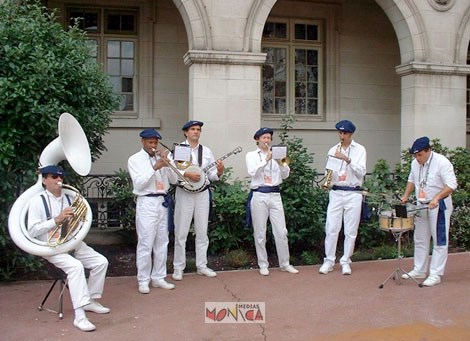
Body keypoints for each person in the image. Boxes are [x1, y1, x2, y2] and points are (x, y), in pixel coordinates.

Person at [28, 165, 109, 332]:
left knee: (101, 262)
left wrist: (75, 225)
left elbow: (80, 223)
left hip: (72, 242)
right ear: (44, 180)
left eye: (60, 177)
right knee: (76, 267)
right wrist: (56, 220)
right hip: (51, 247)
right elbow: (32, 230)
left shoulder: (69, 198)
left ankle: (90, 301)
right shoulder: (38, 200)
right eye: (53, 177)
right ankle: (80, 317)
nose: (58, 180)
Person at [400, 136, 457, 287]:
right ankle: (419, 269)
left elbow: (452, 184)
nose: (417, 158)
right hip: (422, 204)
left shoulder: (441, 162)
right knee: (420, 238)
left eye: (420, 155)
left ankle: (436, 273)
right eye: (415, 155)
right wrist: (406, 195)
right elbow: (411, 180)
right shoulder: (415, 163)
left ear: (428, 151)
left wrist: (437, 197)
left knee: (439, 239)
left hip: (439, 204)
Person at [172, 120, 224, 281]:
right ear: (185, 132)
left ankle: (202, 265)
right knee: (181, 232)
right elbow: (172, 173)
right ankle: (178, 267)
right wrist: (187, 174)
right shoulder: (178, 149)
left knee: (202, 231)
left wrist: (220, 171)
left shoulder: (206, 151)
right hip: (184, 193)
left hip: (202, 194)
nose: (196, 132)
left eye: (198, 129)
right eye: (193, 129)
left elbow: (212, 175)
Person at [127, 128, 178, 294]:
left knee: (162, 242)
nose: (153, 145)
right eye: (150, 142)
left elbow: (175, 180)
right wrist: (155, 167)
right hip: (147, 202)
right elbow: (139, 184)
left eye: (155, 142)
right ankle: (143, 279)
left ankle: (159, 277)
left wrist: (169, 164)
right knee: (145, 242)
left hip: (162, 201)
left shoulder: (162, 158)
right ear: (143, 142)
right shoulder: (134, 160)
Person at [245, 127, 299, 276]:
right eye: (264, 138)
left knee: (281, 231)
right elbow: (252, 172)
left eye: (269, 138)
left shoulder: (277, 155)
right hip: (259, 194)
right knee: (260, 232)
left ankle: (285, 263)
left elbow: (286, 175)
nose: (267, 140)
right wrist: (265, 160)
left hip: (275, 195)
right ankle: (263, 264)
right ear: (257, 140)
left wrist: (280, 162)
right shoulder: (251, 155)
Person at [319, 120, 367, 276]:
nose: (342, 136)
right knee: (331, 228)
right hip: (337, 192)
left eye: (344, 133)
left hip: (353, 192)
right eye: (340, 133)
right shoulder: (333, 149)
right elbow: (330, 171)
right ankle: (329, 261)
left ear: (351, 134)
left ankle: (346, 261)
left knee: (351, 230)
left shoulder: (360, 150)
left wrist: (347, 159)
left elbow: (361, 172)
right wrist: (328, 179)